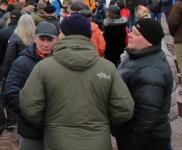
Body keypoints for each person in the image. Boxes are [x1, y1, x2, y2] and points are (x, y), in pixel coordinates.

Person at [19, 14, 135, 150]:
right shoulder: (107, 67)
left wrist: (50, 123)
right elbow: (123, 108)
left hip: (58, 140)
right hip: (97, 141)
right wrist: (102, 123)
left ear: (64, 35)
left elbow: (30, 107)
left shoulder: (44, 67)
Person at [112, 19, 173, 150]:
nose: (129, 35)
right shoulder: (136, 56)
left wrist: (127, 142)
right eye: (131, 31)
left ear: (149, 41)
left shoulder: (151, 71)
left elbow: (146, 119)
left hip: (147, 142)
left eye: (136, 33)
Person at [4, 22, 58, 150]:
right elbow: (11, 94)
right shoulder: (22, 63)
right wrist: (32, 115)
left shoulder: (62, 62)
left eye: (49, 40)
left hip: (58, 130)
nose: (45, 44)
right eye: (42, 39)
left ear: (56, 40)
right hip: (31, 131)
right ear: (35, 39)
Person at [2, 14, 36, 80]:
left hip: (18, 71)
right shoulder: (37, 37)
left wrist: (4, 74)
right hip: (33, 70)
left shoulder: (15, 37)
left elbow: (9, 57)